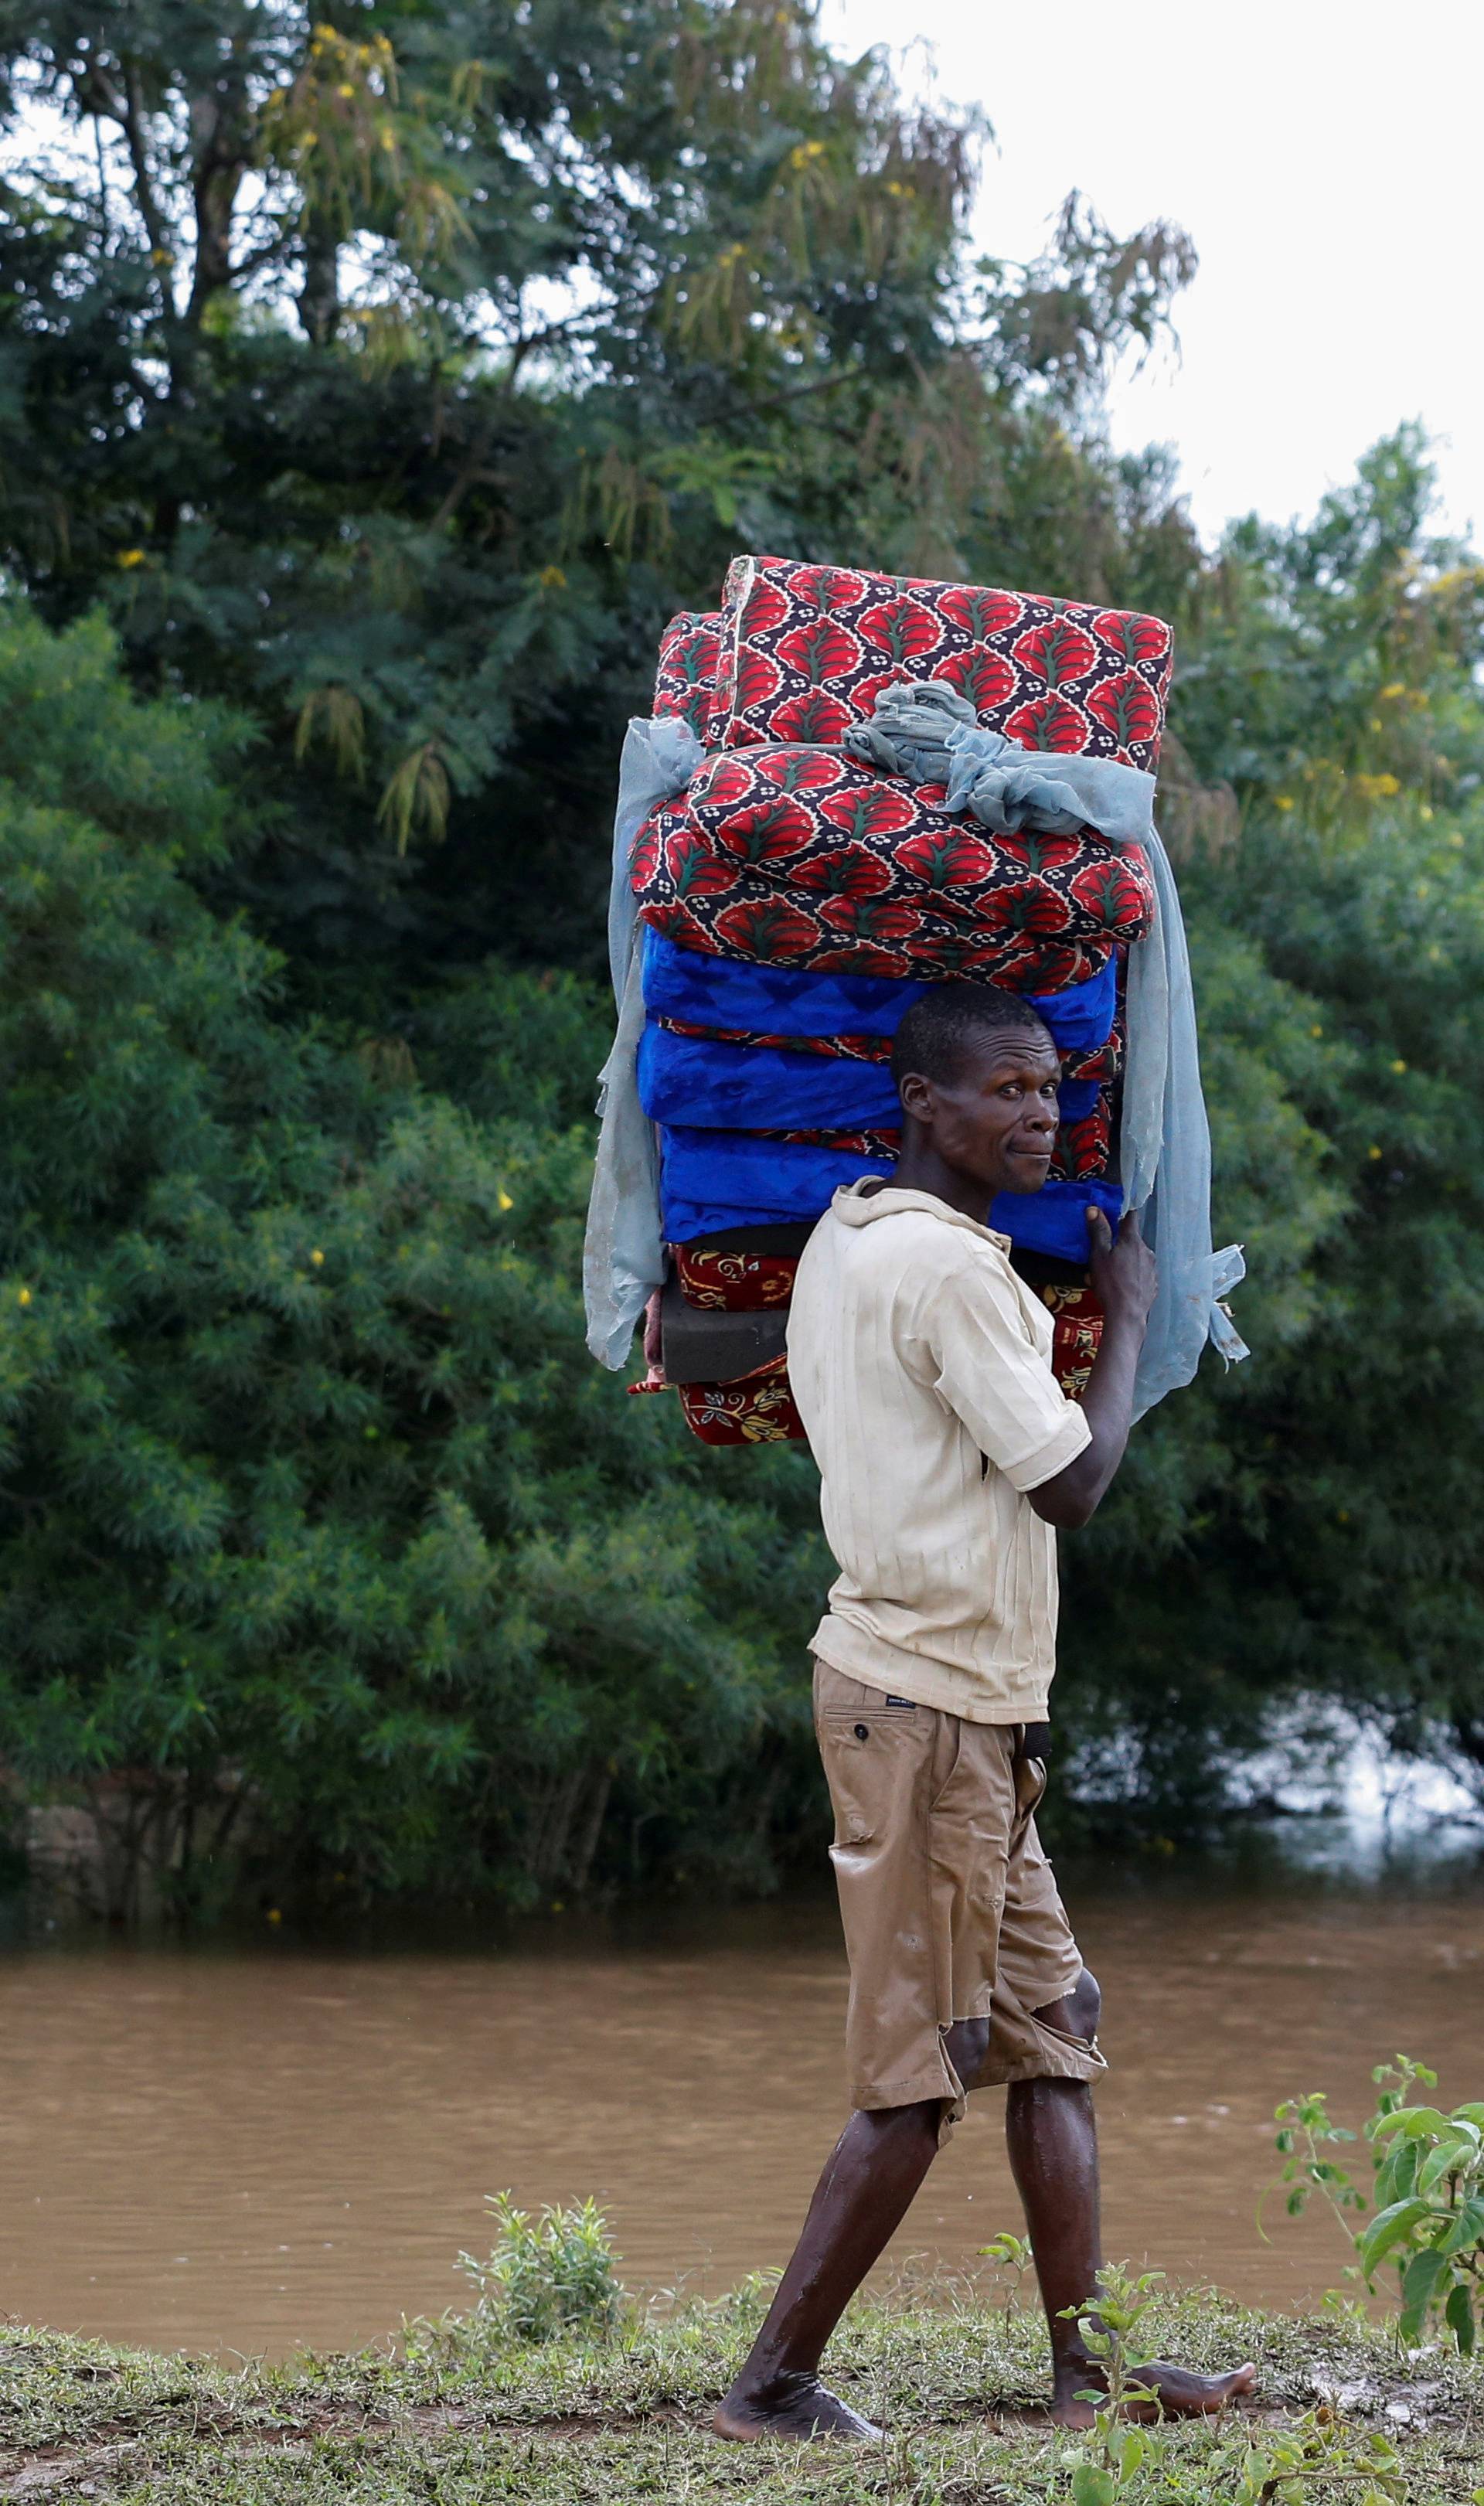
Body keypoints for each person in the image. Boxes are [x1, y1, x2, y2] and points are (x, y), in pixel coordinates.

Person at [713, 982, 1256, 2443]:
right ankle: (767, 2385)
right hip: (927, 1708)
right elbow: (1072, 1483)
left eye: (1049, 1086)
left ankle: (1091, 2371)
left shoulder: (847, 1231)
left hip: (967, 1710)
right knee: (920, 2074)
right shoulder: (951, 1273)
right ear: (923, 1106)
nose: (1040, 1114)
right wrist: (1131, 1318)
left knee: (1056, 2027)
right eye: (1006, 1090)